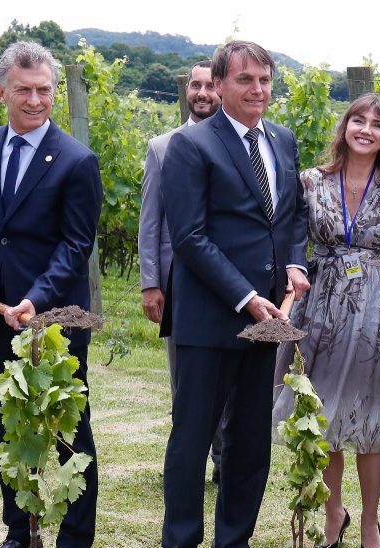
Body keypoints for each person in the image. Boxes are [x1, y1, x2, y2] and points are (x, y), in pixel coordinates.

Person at [157, 40, 310, 548]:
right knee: (193, 439)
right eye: (246, 80)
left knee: (250, 440)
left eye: (266, 79)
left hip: (267, 320)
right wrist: (246, 297)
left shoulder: (283, 140)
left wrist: (293, 263)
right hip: (209, 320)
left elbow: (289, 217)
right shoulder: (191, 146)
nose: (258, 90)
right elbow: (190, 238)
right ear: (218, 85)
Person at [0, 41, 103, 548]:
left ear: (54, 91)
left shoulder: (77, 161)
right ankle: (20, 535)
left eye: (45, 90)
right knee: (7, 426)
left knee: (67, 432)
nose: (36, 100)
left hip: (53, 320)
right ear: (1, 91)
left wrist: (36, 299)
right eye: (24, 90)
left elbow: (74, 246)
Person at [272, 94, 380, 548]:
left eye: (377, 124)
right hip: (320, 308)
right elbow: (293, 240)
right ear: (345, 125)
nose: (366, 129)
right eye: (359, 119)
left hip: (374, 310)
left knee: (371, 419)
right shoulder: (310, 182)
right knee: (323, 415)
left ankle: (370, 519)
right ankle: (334, 513)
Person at [138, 60, 226, 483]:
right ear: (187, 91)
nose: (203, 92)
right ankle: (187, 462)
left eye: (210, 85)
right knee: (186, 380)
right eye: (196, 85)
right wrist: (151, 283)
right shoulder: (162, 147)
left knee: (231, 378)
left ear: (222, 89)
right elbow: (151, 221)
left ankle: (226, 463)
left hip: (231, 283)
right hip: (179, 283)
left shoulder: (239, 145)